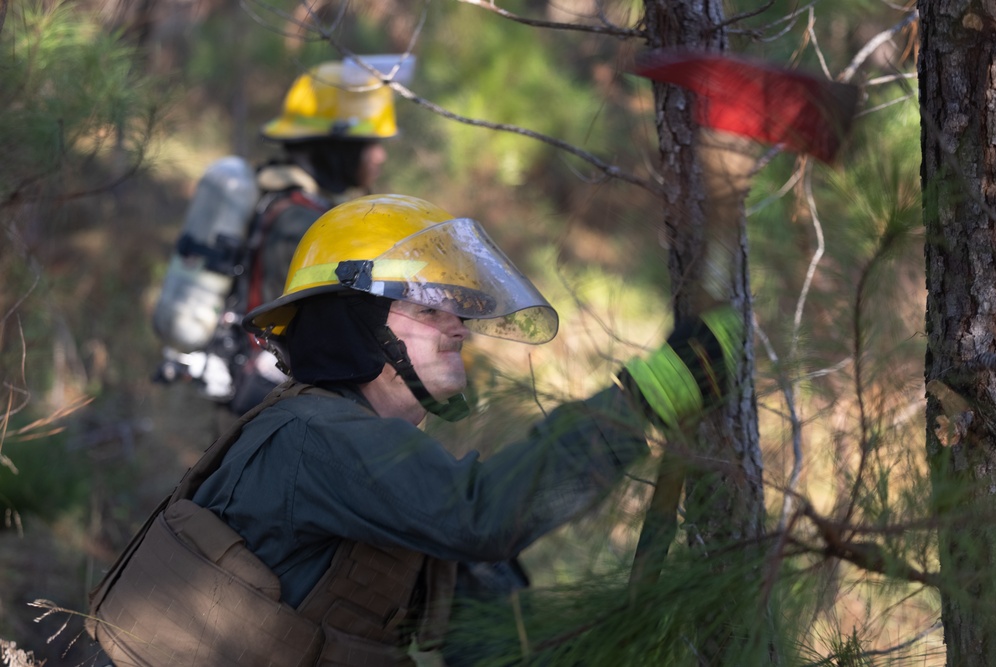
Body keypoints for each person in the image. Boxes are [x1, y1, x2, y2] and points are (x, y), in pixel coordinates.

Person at [92, 194, 741, 666]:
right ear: (358, 323)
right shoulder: (311, 438)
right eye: (431, 308)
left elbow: (487, 631)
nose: (459, 327)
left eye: (459, 310)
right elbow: (482, 514)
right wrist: (642, 400)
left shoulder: (386, 466)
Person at [156, 56, 414, 418]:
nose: (381, 155)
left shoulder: (274, 191)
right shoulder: (303, 221)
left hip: (249, 390)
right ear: (336, 145)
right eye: (371, 142)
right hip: (274, 403)